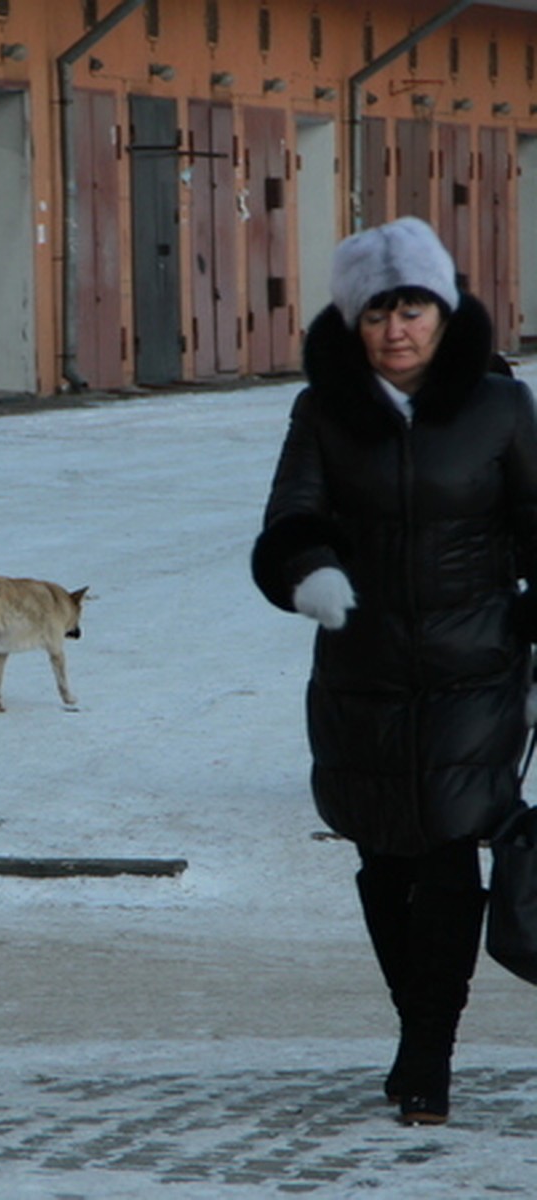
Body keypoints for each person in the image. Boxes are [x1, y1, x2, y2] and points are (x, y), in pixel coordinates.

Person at [252, 217, 537, 1126]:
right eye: (376, 313)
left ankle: (427, 1053)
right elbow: (290, 515)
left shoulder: (500, 407)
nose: (396, 330)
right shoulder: (325, 409)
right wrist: (309, 574)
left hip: (475, 668)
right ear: (353, 320)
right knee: (382, 858)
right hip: (363, 668)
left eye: (412, 307)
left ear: (443, 312)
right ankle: (416, 1023)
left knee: (450, 849)